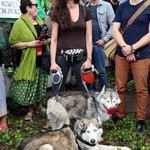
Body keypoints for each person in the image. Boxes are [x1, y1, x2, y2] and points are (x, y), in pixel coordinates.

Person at [112, 0, 150, 133]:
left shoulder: (149, 6)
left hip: (142, 54)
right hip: (122, 53)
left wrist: (133, 48)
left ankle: (141, 119)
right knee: (120, 87)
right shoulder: (122, 6)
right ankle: (119, 114)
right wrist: (125, 47)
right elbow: (115, 29)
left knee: (141, 89)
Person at [9, 0, 51, 121]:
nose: (38, 8)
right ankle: (29, 110)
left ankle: (39, 105)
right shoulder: (19, 23)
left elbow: (48, 37)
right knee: (29, 85)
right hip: (28, 61)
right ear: (27, 8)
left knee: (40, 83)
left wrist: (46, 41)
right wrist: (30, 44)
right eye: (35, 6)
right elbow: (12, 43)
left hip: (42, 59)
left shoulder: (40, 21)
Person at [50, 0, 93, 94]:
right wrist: (52, 62)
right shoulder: (57, 12)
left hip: (81, 56)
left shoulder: (86, 11)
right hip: (62, 56)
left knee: (84, 91)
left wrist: (89, 59)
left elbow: (89, 37)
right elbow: (54, 39)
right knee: (57, 90)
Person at [86, 0, 115, 91]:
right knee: (89, 71)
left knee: (101, 71)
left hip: (99, 44)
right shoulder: (85, 6)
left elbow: (113, 24)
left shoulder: (106, 5)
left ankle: (103, 94)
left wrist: (104, 39)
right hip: (87, 45)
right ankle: (90, 95)